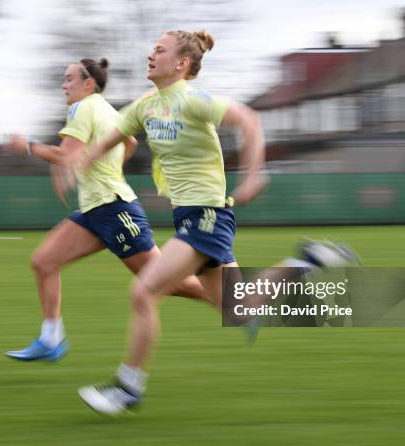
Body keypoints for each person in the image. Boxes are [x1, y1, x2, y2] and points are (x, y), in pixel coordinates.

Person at [74, 30, 270, 415]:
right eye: (152, 49)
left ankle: (129, 387)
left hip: (208, 215)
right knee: (237, 309)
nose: (151, 55)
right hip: (191, 218)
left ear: (181, 64)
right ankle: (307, 263)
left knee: (143, 292)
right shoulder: (147, 105)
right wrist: (81, 159)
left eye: (159, 51)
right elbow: (111, 137)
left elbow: (248, 121)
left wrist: (255, 174)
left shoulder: (193, 100)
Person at [2, 57, 212, 362]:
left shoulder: (83, 107)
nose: (64, 85)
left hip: (115, 212)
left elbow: (65, 155)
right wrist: (100, 167)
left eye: (69, 79)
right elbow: (129, 144)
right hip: (95, 211)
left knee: (172, 284)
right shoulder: (107, 110)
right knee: (44, 262)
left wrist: (28, 146)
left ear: (89, 83)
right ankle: (51, 339)